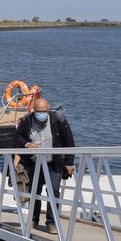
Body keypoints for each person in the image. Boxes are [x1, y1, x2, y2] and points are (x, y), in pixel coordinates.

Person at [14, 97, 76, 233]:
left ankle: (52, 222)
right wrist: (27, 144)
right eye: (39, 111)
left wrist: (70, 162)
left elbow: (69, 142)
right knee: (34, 191)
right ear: (34, 110)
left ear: (48, 110)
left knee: (53, 191)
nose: (42, 113)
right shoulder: (27, 121)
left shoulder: (58, 121)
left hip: (54, 163)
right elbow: (17, 136)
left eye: (44, 111)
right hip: (34, 163)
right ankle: (33, 219)